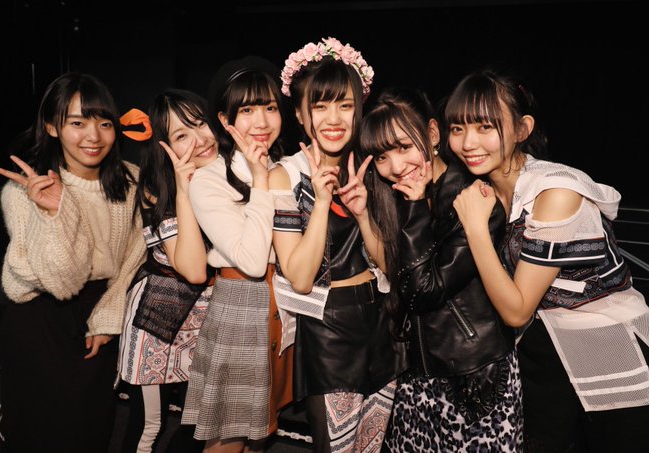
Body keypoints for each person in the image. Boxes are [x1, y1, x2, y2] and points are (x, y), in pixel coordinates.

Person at [449, 68, 649, 453]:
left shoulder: (556, 191)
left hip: (611, 348)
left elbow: (517, 310)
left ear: (522, 129)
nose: (468, 142)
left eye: (485, 126)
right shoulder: (487, 188)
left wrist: (475, 229)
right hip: (545, 355)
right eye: (458, 128)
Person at [358, 86, 522, 452]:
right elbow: (398, 276)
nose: (395, 167)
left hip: (472, 375)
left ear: (432, 134)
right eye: (382, 156)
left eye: (404, 146)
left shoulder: (472, 199)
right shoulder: (401, 198)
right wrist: (365, 216)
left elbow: (423, 290)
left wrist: (415, 209)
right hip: (418, 374)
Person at [0, 72, 146, 453]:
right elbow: (62, 281)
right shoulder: (24, 190)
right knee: (37, 434)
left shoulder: (132, 181)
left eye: (104, 123)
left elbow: (136, 255)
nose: (94, 136)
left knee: (90, 430)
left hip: (99, 310)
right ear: (52, 127)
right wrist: (58, 214)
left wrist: (110, 315)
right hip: (39, 317)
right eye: (77, 123)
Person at [270, 37, 402, 452]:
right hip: (327, 331)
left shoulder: (372, 167)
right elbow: (301, 277)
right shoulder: (285, 176)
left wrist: (363, 214)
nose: (333, 118)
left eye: (345, 105)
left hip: (380, 324)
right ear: (299, 113)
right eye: (320, 105)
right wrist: (323, 202)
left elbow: (390, 264)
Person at [180, 56, 294, 453]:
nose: (261, 121)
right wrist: (261, 181)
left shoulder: (287, 167)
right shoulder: (209, 179)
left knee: (262, 433)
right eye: (246, 111)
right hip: (241, 307)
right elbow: (251, 260)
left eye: (270, 107)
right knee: (227, 439)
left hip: (285, 307)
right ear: (225, 119)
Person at [117, 90, 217, 453]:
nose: (200, 139)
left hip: (205, 318)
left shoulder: (228, 174)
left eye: (200, 124)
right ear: (164, 146)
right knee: (149, 426)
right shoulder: (157, 187)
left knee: (201, 424)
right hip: (159, 317)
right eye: (181, 135)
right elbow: (193, 269)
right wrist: (184, 192)